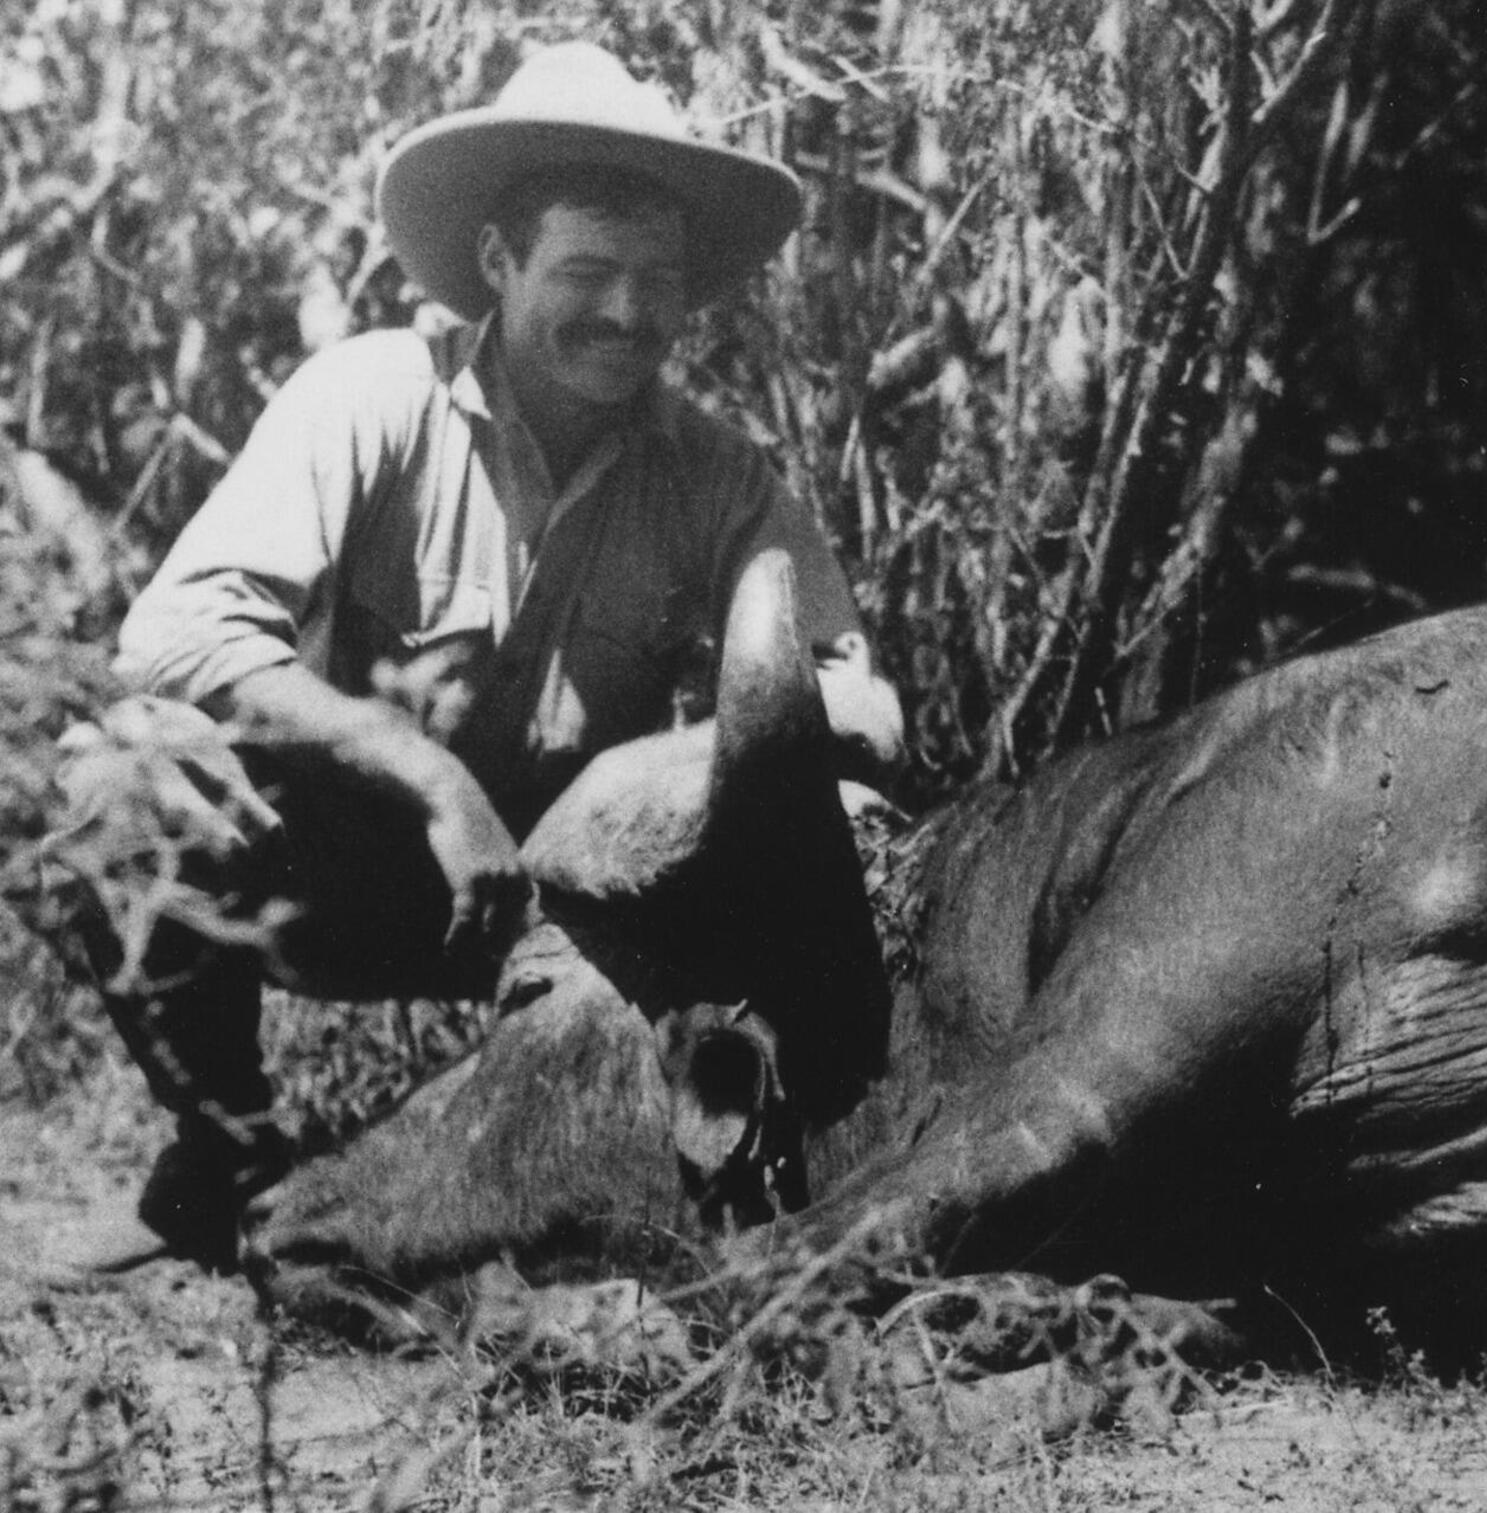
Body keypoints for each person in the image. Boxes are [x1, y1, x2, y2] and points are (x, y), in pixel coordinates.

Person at [40, 41, 904, 1274]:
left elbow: (858, 698)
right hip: (328, 868)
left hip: (567, 924)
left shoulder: (719, 475)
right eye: (587, 271)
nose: (625, 313)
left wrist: (651, 781)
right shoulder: (370, 398)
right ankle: (220, 1150)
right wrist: (429, 780)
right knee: (119, 777)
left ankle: (555, 1169)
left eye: (656, 280)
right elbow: (177, 633)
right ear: (496, 263)